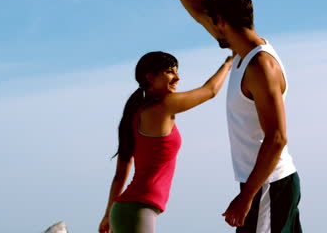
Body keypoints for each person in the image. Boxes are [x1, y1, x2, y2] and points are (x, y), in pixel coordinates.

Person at [159, 0, 302, 232]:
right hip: (261, 184)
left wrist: (246, 196)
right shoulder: (242, 53)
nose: (205, 24)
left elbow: (278, 137)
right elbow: (199, 9)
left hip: (267, 186)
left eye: (210, 22)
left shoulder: (261, 66)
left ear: (221, 21)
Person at [98, 51, 233, 233]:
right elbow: (210, 91)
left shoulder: (136, 113)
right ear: (150, 77)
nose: (177, 78)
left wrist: (108, 215)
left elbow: (120, 175)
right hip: (138, 209)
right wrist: (229, 63)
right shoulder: (162, 107)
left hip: (129, 209)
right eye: (170, 72)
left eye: (177, 72)